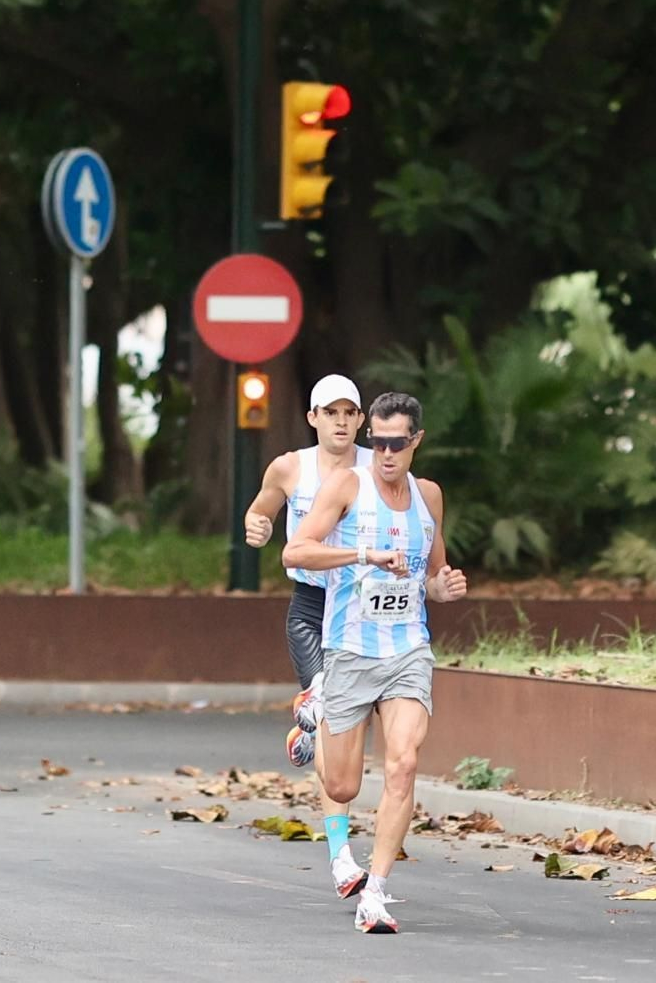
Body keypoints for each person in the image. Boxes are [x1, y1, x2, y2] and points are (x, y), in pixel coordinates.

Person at [283, 391, 468, 934]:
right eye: (377, 442)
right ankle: (315, 721)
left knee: (404, 763)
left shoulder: (428, 496)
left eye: (396, 443)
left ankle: (377, 893)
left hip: (408, 650)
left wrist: (444, 586)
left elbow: (432, 575)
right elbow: (297, 551)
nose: (384, 453)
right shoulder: (347, 487)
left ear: (416, 442)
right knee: (342, 787)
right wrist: (362, 554)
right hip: (350, 648)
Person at [243, 374, 373, 900]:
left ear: (361, 420)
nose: (341, 421)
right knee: (329, 718)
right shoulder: (290, 466)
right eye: (331, 412)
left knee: (338, 733)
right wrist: (258, 526)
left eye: (350, 412)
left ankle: (309, 729)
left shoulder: (376, 469)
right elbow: (260, 509)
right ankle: (340, 857)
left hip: (361, 614)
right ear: (313, 418)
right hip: (312, 611)